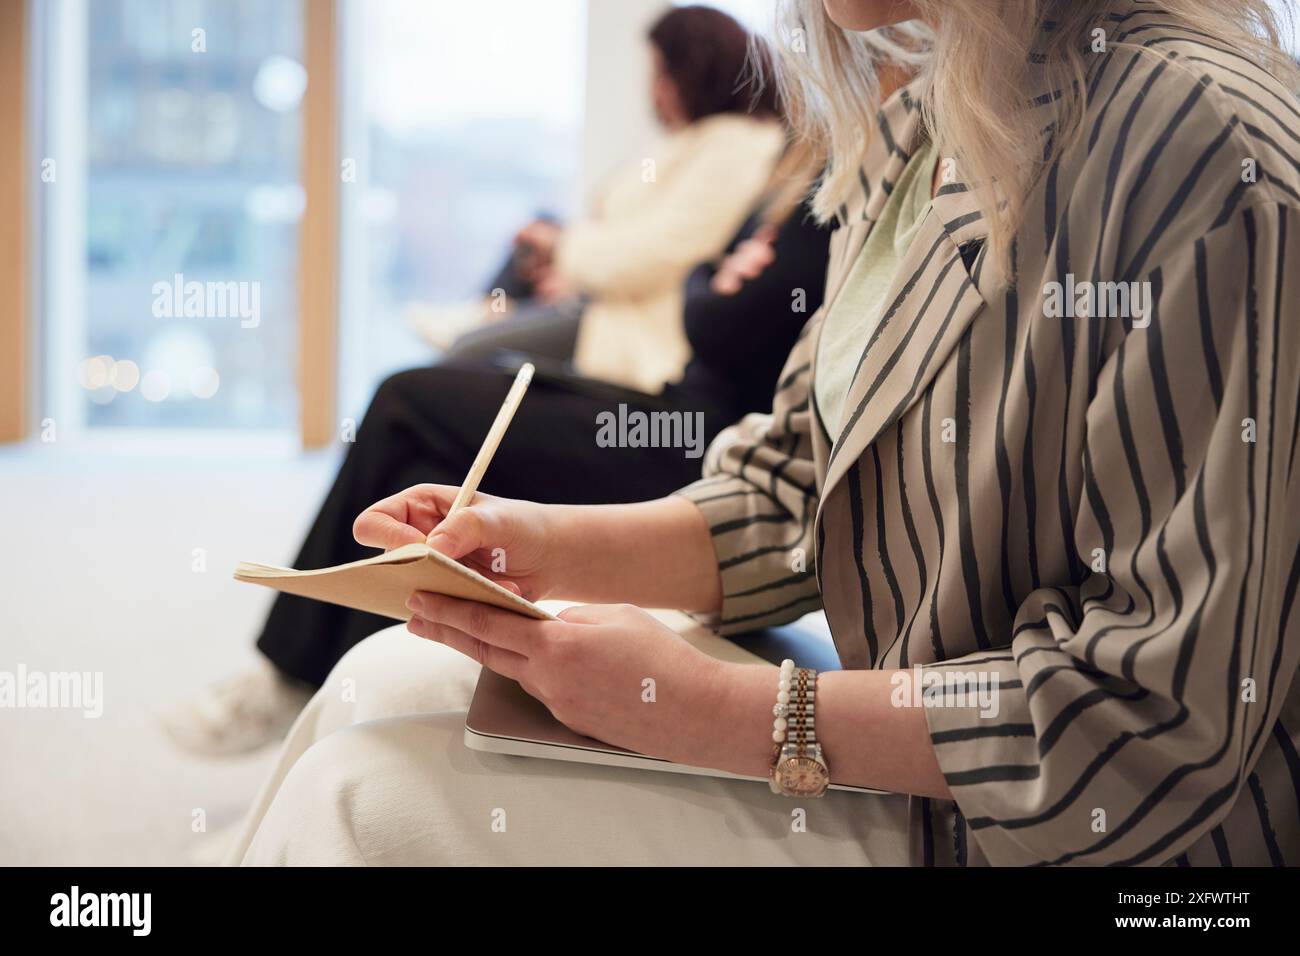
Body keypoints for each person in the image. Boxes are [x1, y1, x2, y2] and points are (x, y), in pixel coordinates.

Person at [230, 0, 1300, 866]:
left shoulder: (1200, 150)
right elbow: (794, 487)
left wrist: (736, 711)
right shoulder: (927, 123)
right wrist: (538, 542)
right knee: (380, 678)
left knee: (362, 797)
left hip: (1058, 839)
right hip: (911, 755)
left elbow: (1151, 722)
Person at [163, 146, 832, 755]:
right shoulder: (780, 167)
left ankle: (290, 681)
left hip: (689, 427)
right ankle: (327, 729)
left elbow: (712, 308)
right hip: (666, 392)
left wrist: (711, 284)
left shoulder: (774, 166)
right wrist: (712, 282)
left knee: (405, 400)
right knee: (427, 472)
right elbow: (702, 288)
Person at [425, 4, 788, 395]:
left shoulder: (736, 146)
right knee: (538, 229)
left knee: (462, 356)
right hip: (603, 298)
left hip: (628, 324)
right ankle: (488, 307)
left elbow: (656, 254)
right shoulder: (694, 142)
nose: (654, 91)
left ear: (695, 72)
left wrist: (566, 253)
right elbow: (624, 235)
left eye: (661, 74)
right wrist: (570, 263)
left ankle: (485, 313)